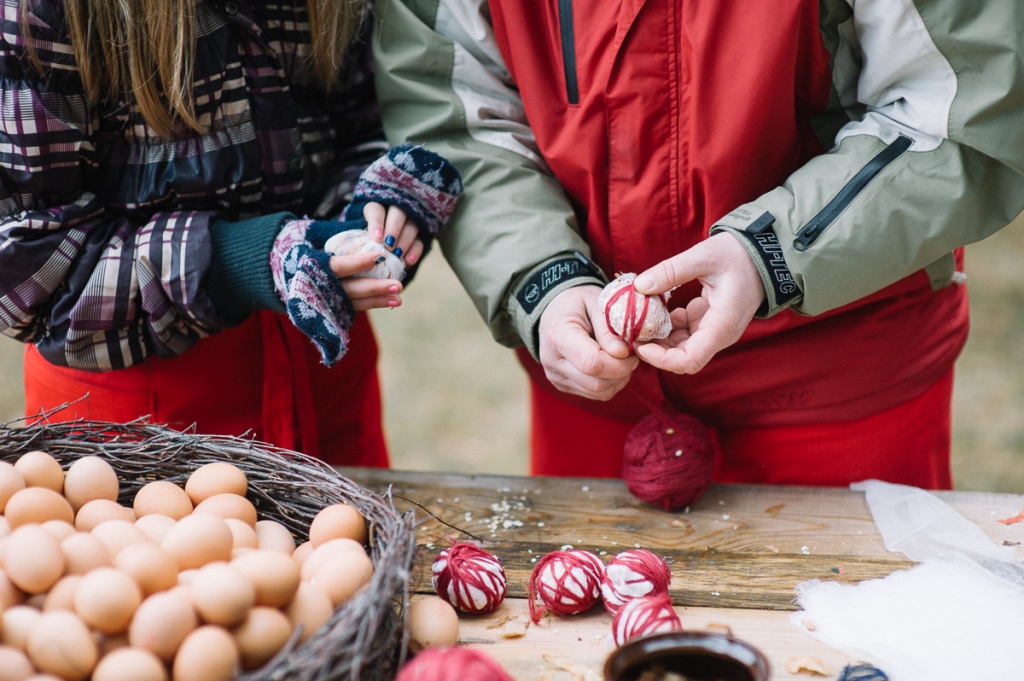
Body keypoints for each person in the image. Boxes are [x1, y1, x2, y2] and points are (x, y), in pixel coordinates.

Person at [372, 0, 1024, 488]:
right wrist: (542, 278)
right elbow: (452, 101)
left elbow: (960, 107)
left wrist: (770, 254)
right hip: (596, 381)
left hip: (839, 377)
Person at [0, 0, 461, 466]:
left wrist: (368, 215)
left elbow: (362, 115)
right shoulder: (41, 10)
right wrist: (243, 262)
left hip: (323, 382)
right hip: (139, 423)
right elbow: (27, 265)